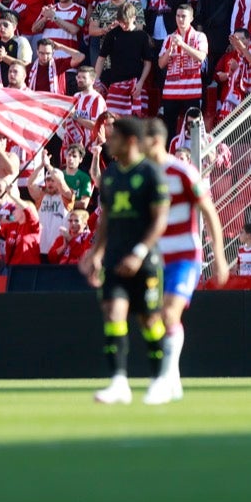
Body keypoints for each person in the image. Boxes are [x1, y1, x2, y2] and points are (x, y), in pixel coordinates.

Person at [78, 117, 168, 405]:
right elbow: (105, 219)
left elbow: (160, 220)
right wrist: (96, 252)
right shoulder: (111, 176)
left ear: (130, 141)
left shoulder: (151, 173)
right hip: (115, 259)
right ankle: (119, 382)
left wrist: (139, 252)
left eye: (114, 138)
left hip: (145, 260)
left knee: (149, 320)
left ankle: (160, 380)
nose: (109, 142)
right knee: (113, 313)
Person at [142, 118, 227, 405]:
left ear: (155, 141)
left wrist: (219, 256)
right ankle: (173, 378)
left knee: (169, 313)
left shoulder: (183, 171)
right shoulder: (144, 175)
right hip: (156, 258)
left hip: (185, 255)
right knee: (154, 318)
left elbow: (209, 212)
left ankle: (163, 380)